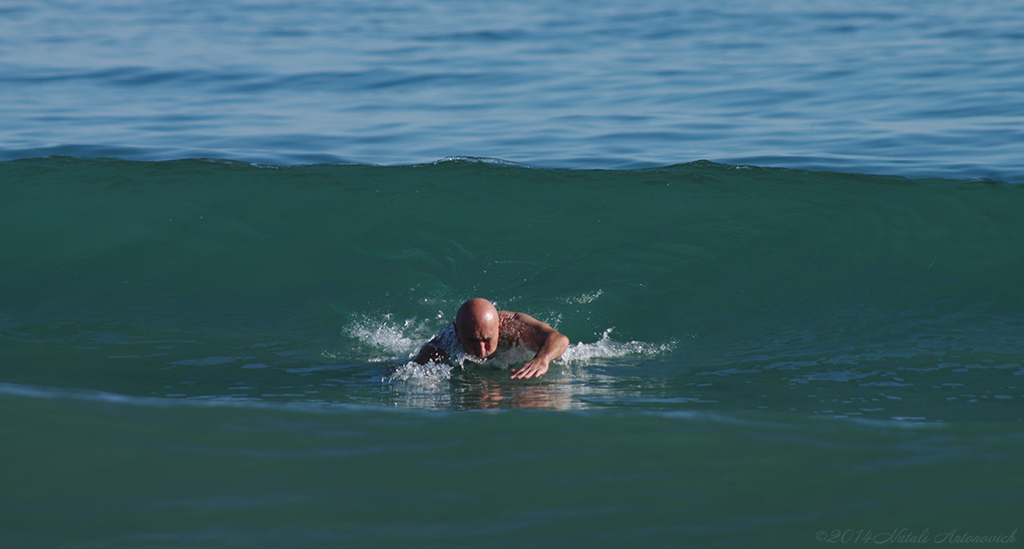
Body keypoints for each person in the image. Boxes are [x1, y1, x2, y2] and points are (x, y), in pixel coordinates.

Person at [413, 298, 569, 379]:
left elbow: (559, 339)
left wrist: (543, 358)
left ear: (499, 327)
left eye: (487, 340)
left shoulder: (513, 327)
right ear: (457, 332)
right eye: (472, 341)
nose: (481, 350)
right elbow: (410, 371)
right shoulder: (443, 343)